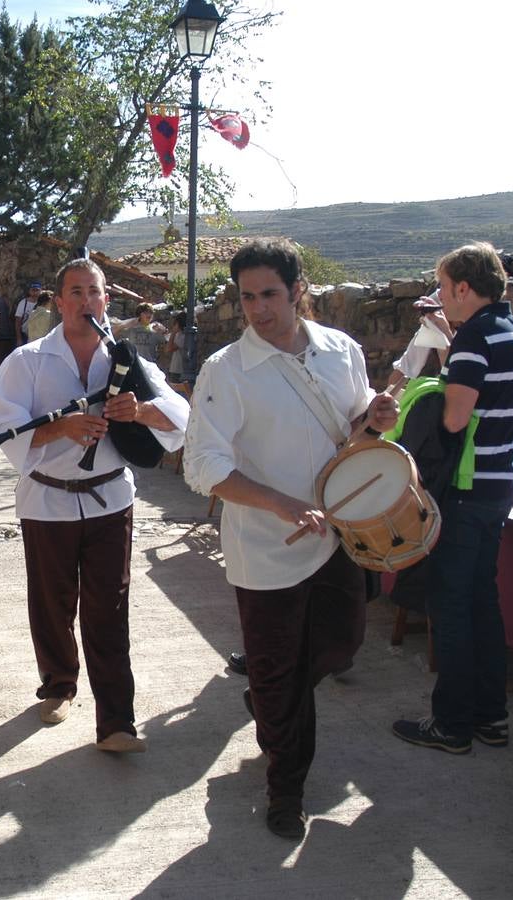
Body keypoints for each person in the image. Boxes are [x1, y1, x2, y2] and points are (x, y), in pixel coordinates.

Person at [182, 238, 398, 841]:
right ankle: (285, 788)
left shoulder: (341, 351)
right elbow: (202, 465)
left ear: (298, 290)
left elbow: (351, 434)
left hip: (335, 537)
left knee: (340, 644)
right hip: (263, 550)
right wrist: (281, 504)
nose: (258, 309)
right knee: (279, 674)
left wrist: (374, 421)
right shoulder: (225, 370)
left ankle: (275, 707)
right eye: (248, 297)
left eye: (270, 294)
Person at [0, 258, 189, 753]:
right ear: (59, 302)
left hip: (109, 499)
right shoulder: (28, 360)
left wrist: (139, 411)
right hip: (46, 501)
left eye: (93, 292)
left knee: (109, 608)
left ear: (106, 299)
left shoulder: (126, 359)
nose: (84, 301)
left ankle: (116, 720)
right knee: (52, 603)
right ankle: (58, 685)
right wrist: (60, 427)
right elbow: (2, 424)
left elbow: (179, 414)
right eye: (74, 292)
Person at [391, 243, 513, 755]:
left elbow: (455, 419)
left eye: (442, 285)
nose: (439, 297)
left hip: (466, 486)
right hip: (500, 482)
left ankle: (451, 722)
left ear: (462, 288)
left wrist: (436, 387)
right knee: (482, 601)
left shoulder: (475, 337)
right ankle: (490, 716)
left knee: (449, 604)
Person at [386, 291, 454, 390]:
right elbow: (405, 369)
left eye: (444, 286)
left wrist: (446, 337)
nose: (440, 294)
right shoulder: (436, 316)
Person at [166, 312, 186, 382]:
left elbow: (169, 348)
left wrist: (173, 332)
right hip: (176, 369)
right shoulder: (180, 335)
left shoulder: (182, 336)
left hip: (178, 370)